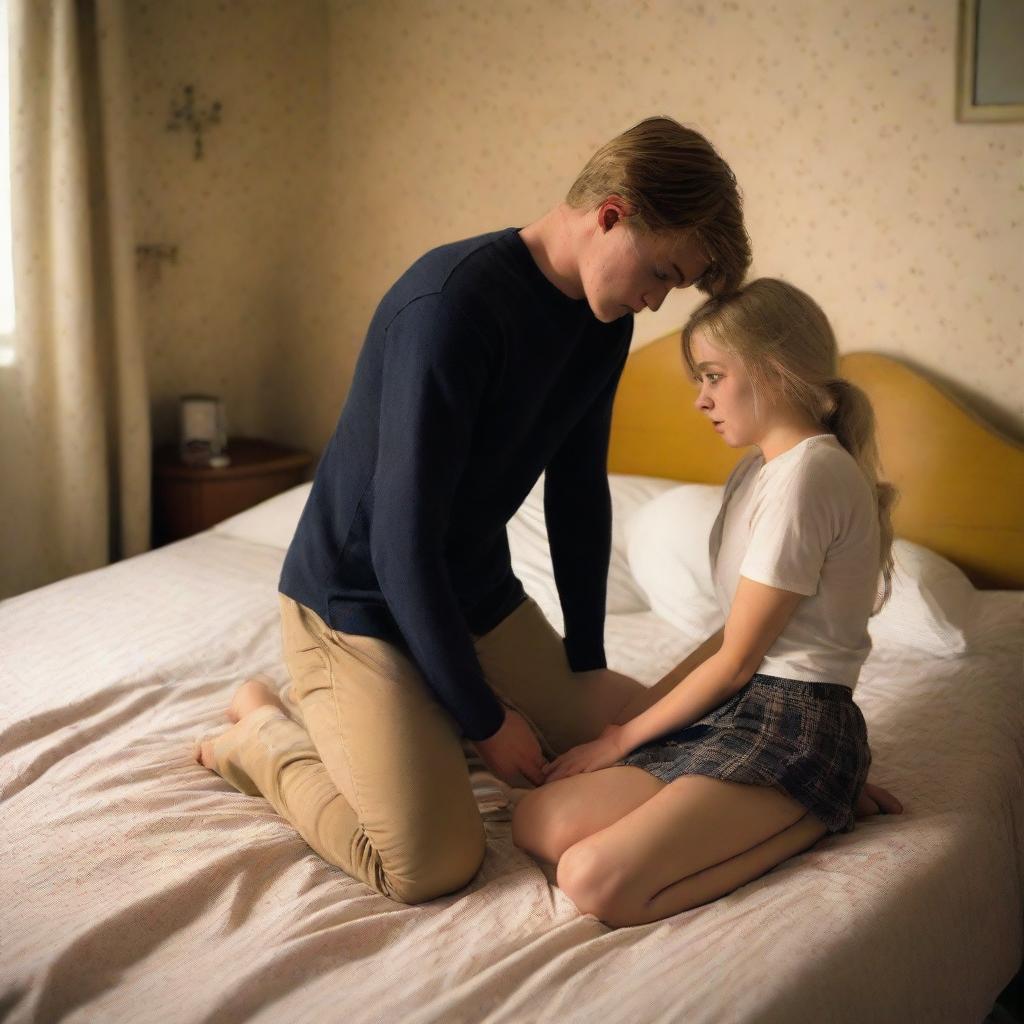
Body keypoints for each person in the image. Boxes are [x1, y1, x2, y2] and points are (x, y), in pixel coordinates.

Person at [193, 118, 896, 906]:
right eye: (662, 272)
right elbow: (400, 548)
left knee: (652, 727)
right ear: (611, 213)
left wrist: (585, 665)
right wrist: (488, 719)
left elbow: (577, 491)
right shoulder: (450, 308)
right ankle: (262, 732)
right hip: (360, 605)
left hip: (474, 595)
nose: (656, 301)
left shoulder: (605, 326)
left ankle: (432, 722)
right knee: (430, 863)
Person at [511, 277, 904, 928]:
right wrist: (635, 721)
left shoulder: (810, 475)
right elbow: (732, 637)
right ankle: (773, 805)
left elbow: (739, 660)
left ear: (773, 369)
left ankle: (816, 807)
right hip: (740, 705)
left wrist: (622, 739)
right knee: (537, 820)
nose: (701, 399)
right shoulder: (759, 469)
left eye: (714, 376)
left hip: (797, 725)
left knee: (593, 879)